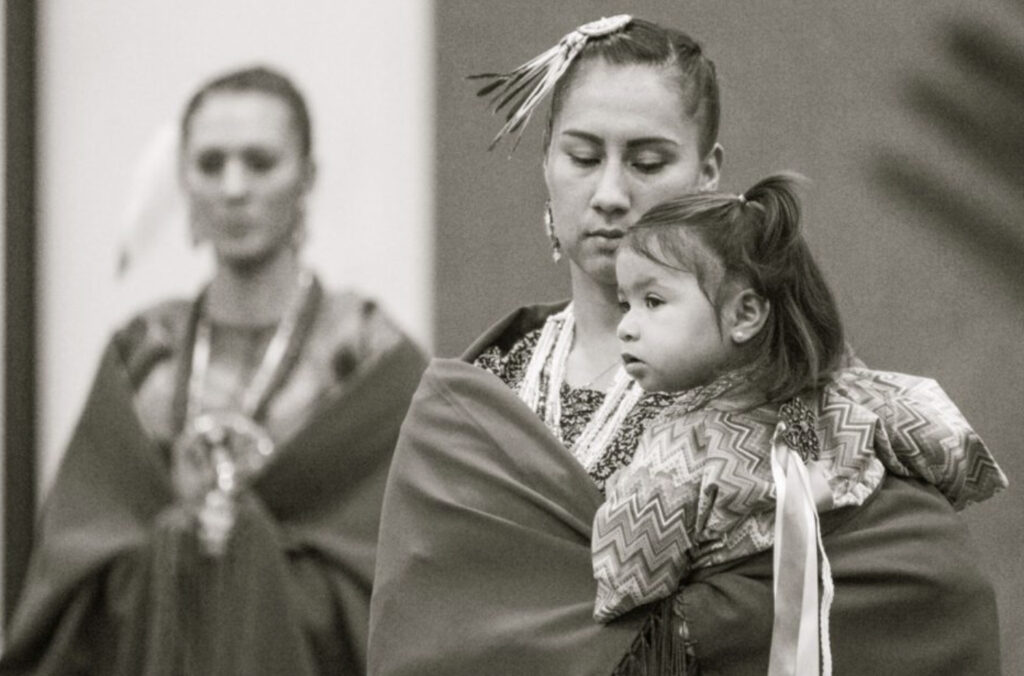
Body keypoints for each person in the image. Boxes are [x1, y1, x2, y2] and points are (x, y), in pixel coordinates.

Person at [368, 15, 1004, 676]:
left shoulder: (768, 381)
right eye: (583, 157)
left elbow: (932, 585)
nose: (611, 193)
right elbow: (421, 632)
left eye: (647, 162)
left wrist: (691, 630)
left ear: (707, 174)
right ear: (547, 168)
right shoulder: (480, 394)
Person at [0, 66, 427, 675]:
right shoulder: (141, 354)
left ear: (307, 178)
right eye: (209, 163)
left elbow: (404, 586)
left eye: (259, 162)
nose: (233, 187)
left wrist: (252, 553)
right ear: (183, 181)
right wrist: (177, 545)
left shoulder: (366, 355)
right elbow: (70, 581)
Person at [594, 174, 1008, 673]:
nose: (627, 324)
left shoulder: (679, 445)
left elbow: (626, 584)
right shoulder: (838, 397)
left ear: (745, 314)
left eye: (653, 302)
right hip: (930, 615)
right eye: (625, 303)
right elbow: (948, 448)